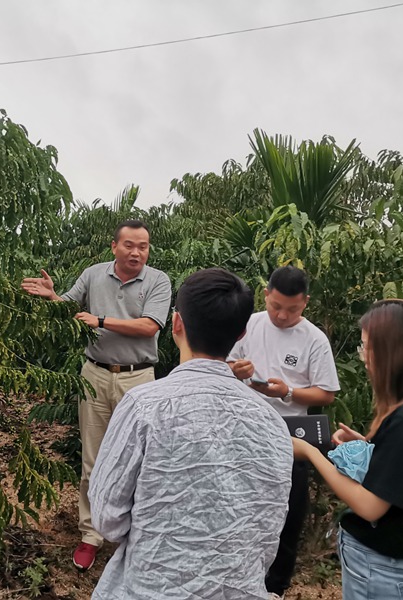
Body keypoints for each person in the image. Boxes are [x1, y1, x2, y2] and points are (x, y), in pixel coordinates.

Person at [88, 267, 293, 599]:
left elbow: (107, 519)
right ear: (241, 334)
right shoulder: (272, 424)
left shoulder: (144, 406)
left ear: (176, 323)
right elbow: (268, 530)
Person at [21, 219, 171, 571]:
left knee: (141, 458)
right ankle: (90, 534)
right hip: (95, 374)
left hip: (138, 378)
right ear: (114, 247)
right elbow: (71, 313)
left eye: (143, 246)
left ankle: (134, 534)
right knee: (94, 457)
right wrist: (53, 296)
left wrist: (101, 321)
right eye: (130, 245)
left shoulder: (158, 280)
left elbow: (150, 326)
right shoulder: (93, 274)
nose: (137, 252)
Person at [292, 299, 403, 600]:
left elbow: (370, 506)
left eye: (366, 348)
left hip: (385, 573)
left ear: (393, 354)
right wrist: (373, 448)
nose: (363, 358)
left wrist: (311, 453)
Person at [227, 265, 340, 600]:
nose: (282, 315)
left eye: (292, 309)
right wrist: (236, 371)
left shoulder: (314, 339)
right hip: (244, 430)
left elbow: (326, 393)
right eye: (276, 306)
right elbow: (223, 367)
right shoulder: (248, 325)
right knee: (240, 508)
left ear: (305, 303)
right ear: (266, 295)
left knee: (288, 516)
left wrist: (288, 392)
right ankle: (237, 578)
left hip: (291, 439)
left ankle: (275, 587)